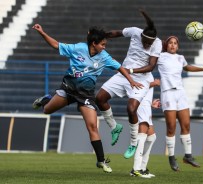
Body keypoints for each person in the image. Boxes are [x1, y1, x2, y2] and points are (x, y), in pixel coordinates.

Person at [31, 24, 142, 173]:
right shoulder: (78, 48)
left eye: (105, 44)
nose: (104, 47)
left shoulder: (104, 57)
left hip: (86, 96)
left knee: (92, 126)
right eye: (102, 44)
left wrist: (131, 81)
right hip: (68, 90)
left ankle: (101, 161)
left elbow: (120, 67)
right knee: (46, 110)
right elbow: (55, 45)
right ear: (94, 43)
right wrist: (42, 32)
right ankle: (46, 100)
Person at [95, 10, 162, 159]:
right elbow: (116, 33)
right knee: (99, 98)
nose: (146, 45)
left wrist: (131, 70)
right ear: (142, 36)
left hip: (141, 79)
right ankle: (114, 127)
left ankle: (133, 143)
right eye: (145, 42)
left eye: (149, 44)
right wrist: (102, 35)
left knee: (131, 109)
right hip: (123, 75)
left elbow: (151, 66)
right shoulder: (135, 32)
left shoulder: (157, 44)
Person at [157, 36, 203, 171]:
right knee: (171, 126)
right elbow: (149, 63)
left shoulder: (180, 58)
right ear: (166, 45)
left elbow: (187, 68)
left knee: (186, 124)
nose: (173, 45)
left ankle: (188, 156)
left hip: (180, 93)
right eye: (170, 43)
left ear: (178, 46)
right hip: (168, 92)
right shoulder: (160, 56)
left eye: (175, 43)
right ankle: (171, 157)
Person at [130, 79, 160, 178]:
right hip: (141, 105)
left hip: (145, 104)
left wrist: (150, 103)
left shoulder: (148, 71)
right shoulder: (140, 69)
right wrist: (153, 84)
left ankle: (142, 168)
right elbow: (136, 86)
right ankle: (136, 169)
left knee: (151, 137)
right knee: (142, 135)